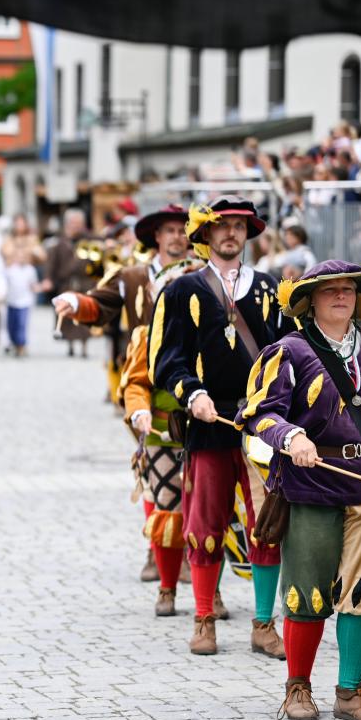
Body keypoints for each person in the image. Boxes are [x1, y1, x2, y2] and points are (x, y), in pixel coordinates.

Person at [148, 197, 289, 655]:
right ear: (205, 235)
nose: (231, 232)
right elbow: (166, 360)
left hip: (259, 424)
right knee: (203, 522)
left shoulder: (270, 289)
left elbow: (286, 356)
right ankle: (204, 618)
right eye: (222, 226)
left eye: (239, 226)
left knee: (266, 524)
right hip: (208, 423)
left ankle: (264, 624)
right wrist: (193, 393)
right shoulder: (181, 289)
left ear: (248, 234)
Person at [238, 260, 361, 720]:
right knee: (307, 593)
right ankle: (298, 688)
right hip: (311, 483)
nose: (341, 296)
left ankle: (351, 693)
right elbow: (259, 414)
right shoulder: (288, 351)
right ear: (311, 300)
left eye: (348, 289)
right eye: (330, 290)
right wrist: (293, 438)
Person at [55, 205, 194, 590]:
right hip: (144, 380)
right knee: (152, 468)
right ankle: (159, 545)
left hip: (194, 382)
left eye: (183, 229)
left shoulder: (202, 274)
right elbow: (99, 304)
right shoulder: (133, 276)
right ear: (156, 237)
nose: (178, 236)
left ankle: (186, 551)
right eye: (169, 230)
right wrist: (74, 302)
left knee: (193, 475)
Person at [45, 208, 94, 356]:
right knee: (67, 315)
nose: (76, 226)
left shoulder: (90, 240)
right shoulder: (60, 242)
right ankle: (70, 344)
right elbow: (51, 263)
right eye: (73, 222)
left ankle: (84, 346)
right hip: (66, 284)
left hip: (85, 283)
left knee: (84, 314)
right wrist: (48, 279)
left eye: (79, 223)